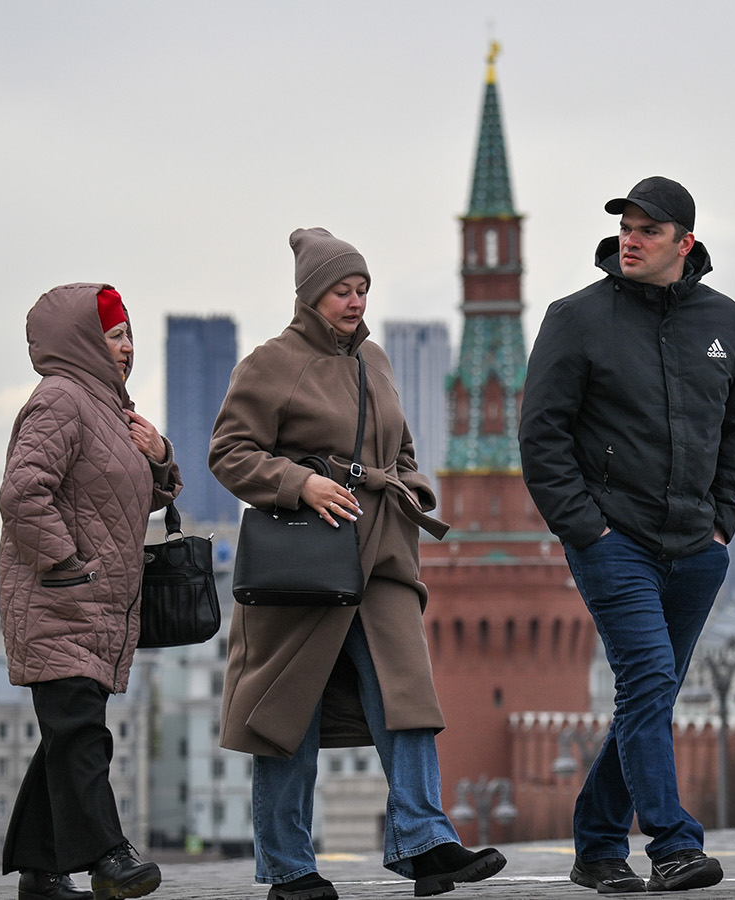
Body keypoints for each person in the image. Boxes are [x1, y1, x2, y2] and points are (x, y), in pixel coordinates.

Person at [209, 228, 507, 900]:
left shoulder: (376, 358)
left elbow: (400, 446)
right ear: (311, 295)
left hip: (383, 558)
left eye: (362, 287)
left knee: (410, 697)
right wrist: (301, 484)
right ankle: (289, 868)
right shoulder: (270, 363)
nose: (355, 299)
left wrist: (411, 484)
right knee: (288, 714)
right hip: (303, 563)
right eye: (342, 289)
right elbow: (229, 453)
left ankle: (424, 842)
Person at [519, 177, 735, 894]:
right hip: (613, 539)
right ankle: (672, 844)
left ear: (684, 243)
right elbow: (542, 435)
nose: (631, 238)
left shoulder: (724, 320)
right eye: (626, 226)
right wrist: (585, 527)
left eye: (649, 230)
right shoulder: (578, 317)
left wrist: (723, 520)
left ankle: (597, 847)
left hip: (696, 545)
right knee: (650, 679)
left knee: (648, 697)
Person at [0, 283, 182, 900]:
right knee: (81, 732)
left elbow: (119, 495)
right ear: (82, 340)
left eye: (129, 335)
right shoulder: (59, 401)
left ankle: (40, 870)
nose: (126, 348)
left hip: (96, 604)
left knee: (68, 733)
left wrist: (159, 458)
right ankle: (109, 855)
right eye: (114, 335)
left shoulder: (106, 408)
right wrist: (65, 564)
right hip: (62, 599)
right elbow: (24, 494)